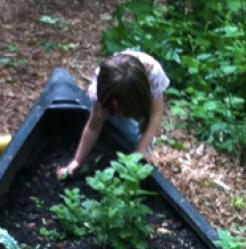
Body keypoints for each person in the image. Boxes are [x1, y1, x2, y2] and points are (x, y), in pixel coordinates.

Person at [57, 50, 169, 179]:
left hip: (140, 94)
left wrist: (141, 150)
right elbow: (93, 127)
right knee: (129, 133)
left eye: (125, 113)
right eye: (117, 112)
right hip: (114, 96)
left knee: (142, 140)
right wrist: (77, 161)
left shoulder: (154, 75)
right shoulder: (101, 92)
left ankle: (144, 147)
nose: (122, 116)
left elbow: (156, 113)